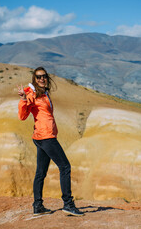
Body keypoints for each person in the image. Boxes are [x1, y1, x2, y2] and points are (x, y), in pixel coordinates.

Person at [17, 67, 84, 217]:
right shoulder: (32, 95)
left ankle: (38, 206)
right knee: (65, 166)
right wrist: (23, 99)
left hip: (41, 137)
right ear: (34, 80)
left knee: (41, 172)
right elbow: (22, 116)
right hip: (46, 137)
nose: (42, 79)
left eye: (44, 76)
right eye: (39, 77)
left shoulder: (44, 94)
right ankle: (68, 204)